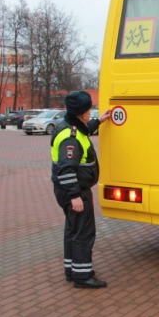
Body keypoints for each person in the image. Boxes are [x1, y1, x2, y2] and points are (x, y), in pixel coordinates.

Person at [51, 91, 111, 289]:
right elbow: (66, 168)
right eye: (90, 110)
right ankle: (83, 276)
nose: (91, 112)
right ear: (83, 113)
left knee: (72, 230)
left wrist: (99, 121)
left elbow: (84, 130)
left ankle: (72, 270)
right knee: (83, 233)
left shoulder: (67, 125)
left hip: (67, 191)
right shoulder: (71, 138)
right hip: (74, 191)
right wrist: (75, 196)